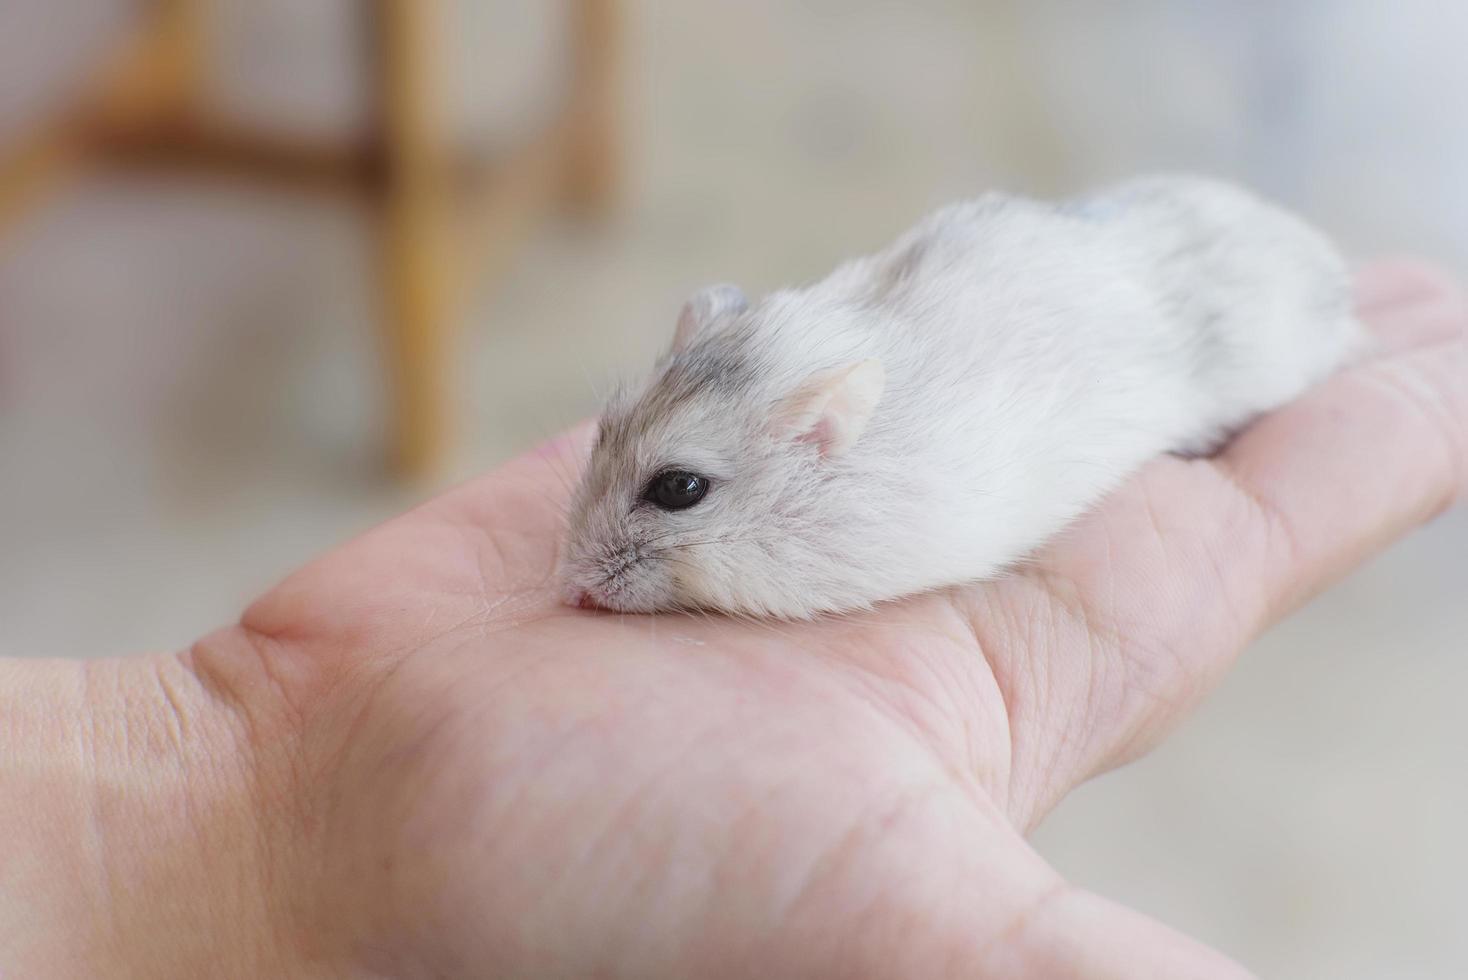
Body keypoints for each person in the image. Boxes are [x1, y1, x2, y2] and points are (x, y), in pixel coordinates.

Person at [2, 263, 1462, 978]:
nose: (594, 566)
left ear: (825, 436)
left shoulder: (901, 461)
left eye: (677, 497)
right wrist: (239, 785)